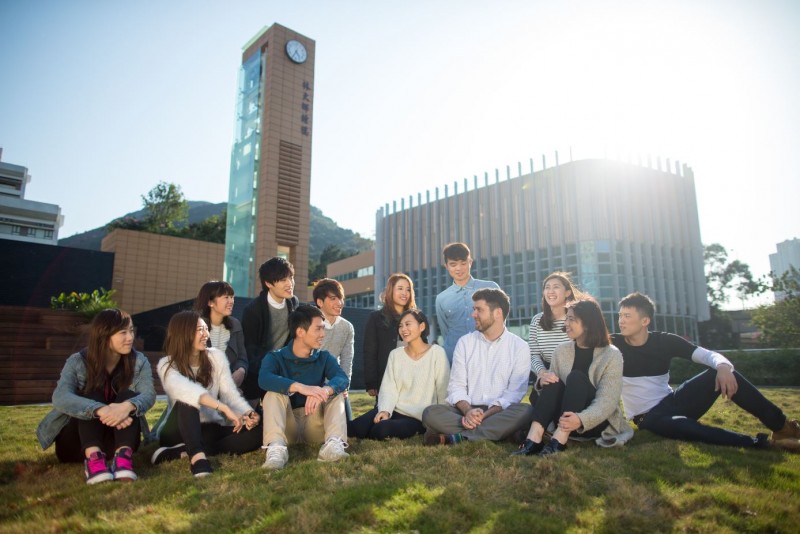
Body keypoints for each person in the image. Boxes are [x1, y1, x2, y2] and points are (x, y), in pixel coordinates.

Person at [612, 292, 800, 451]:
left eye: (627, 316)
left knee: (722, 373)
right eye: (620, 316)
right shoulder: (612, 344)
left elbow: (708, 355)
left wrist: (724, 367)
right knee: (686, 428)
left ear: (645, 320)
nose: (621, 321)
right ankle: (764, 444)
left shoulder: (665, 341)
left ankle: (782, 427)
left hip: (674, 401)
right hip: (648, 417)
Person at [36, 309, 156, 484]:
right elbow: (60, 397)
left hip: (116, 440)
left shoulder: (138, 361)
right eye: (123, 332)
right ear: (104, 335)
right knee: (92, 396)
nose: (130, 337)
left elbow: (148, 394)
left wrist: (125, 407)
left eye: (131, 330)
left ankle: (122, 461)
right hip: (75, 445)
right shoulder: (77, 361)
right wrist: (101, 410)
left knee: (129, 397)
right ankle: (94, 460)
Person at [513, 299, 632, 457]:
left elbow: (607, 401)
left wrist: (581, 419)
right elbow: (552, 393)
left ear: (588, 324)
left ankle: (559, 441)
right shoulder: (561, 351)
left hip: (593, 422)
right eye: (566, 318)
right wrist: (542, 381)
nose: (566, 323)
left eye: (571, 319)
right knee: (552, 380)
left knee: (576, 378)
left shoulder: (611, 355)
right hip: (563, 418)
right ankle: (534, 439)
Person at [152, 311, 261, 477]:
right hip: (178, 430)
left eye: (206, 329)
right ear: (183, 333)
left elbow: (229, 393)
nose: (206, 334)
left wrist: (247, 413)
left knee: (259, 431)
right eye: (199, 330)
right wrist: (223, 408)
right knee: (188, 399)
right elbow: (190, 391)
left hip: (210, 428)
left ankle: (178, 452)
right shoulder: (167, 364)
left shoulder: (216, 357)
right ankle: (197, 457)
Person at [422, 288, 533, 444]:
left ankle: (460, 437)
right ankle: (500, 433)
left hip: (499, 412)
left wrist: (484, 416)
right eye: (474, 309)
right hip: (464, 411)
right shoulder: (465, 343)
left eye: (479, 310)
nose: (473, 314)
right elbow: (456, 387)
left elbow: (513, 394)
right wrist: (469, 412)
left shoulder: (520, 347)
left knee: (526, 411)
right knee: (430, 413)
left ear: (498, 313)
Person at [260, 305, 351, 469]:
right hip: (288, 426)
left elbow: (342, 378)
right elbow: (264, 379)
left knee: (335, 392)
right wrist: (301, 387)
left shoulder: (324, 357)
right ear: (300, 332)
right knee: (272, 394)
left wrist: (324, 390)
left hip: (314, 424)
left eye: (323, 329)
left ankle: (333, 445)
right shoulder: (275, 357)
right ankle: (276, 450)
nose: (323, 334)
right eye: (318, 329)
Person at [349, 309, 450, 440]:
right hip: (394, 410)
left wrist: (439, 422)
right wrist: (385, 410)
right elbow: (389, 388)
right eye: (401, 326)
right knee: (354, 427)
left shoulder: (437, 353)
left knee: (381, 429)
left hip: (418, 418)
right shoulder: (395, 354)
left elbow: (443, 391)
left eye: (408, 324)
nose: (403, 329)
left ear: (422, 326)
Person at [241, 257, 299, 405]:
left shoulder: (293, 303)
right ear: (268, 283)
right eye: (282, 279)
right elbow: (250, 349)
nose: (289, 283)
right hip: (256, 372)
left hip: (283, 371)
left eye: (291, 277)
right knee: (250, 418)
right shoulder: (253, 310)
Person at [435, 243, 499, 363]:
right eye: (453, 264)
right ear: (446, 266)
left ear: (470, 262)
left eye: (463, 263)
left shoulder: (491, 288)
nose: (459, 268)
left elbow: (500, 322)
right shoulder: (441, 299)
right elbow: (445, 331)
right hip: (455, 359)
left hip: (488, 357)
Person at [528, 272, 584, 401]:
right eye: (547, 287)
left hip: (574, 375)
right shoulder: (537, 320)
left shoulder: (577, 319)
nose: (550, 291)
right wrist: (543, 373)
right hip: (547, 375)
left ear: (567, 293)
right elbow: (533, 354)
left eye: (556, 287)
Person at [363, 273, 416, 399]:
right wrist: (371, 382)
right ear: (391, 290)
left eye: (408, 289)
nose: (405, 293)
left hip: (413, 376)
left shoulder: (416, 317)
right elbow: (369, 351)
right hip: (387, 376)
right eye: (400, 288)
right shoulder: (376, 318)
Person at [313, 278, 355, 420]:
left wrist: (344, 387)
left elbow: (347, 359)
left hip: (335, 382)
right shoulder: (310, 323)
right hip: (311, 384)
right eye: (333, 298)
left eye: (341, 298)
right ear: (320, 302)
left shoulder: (347, 327)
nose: (340, 303)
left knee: (348, 426)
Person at [194, 280, 247, 389]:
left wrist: (241, 370)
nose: (231, 301)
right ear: (210, 302)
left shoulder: (235, 325)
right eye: (226, 297)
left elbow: (242, 357)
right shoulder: (195, 326)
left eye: (232, 297)